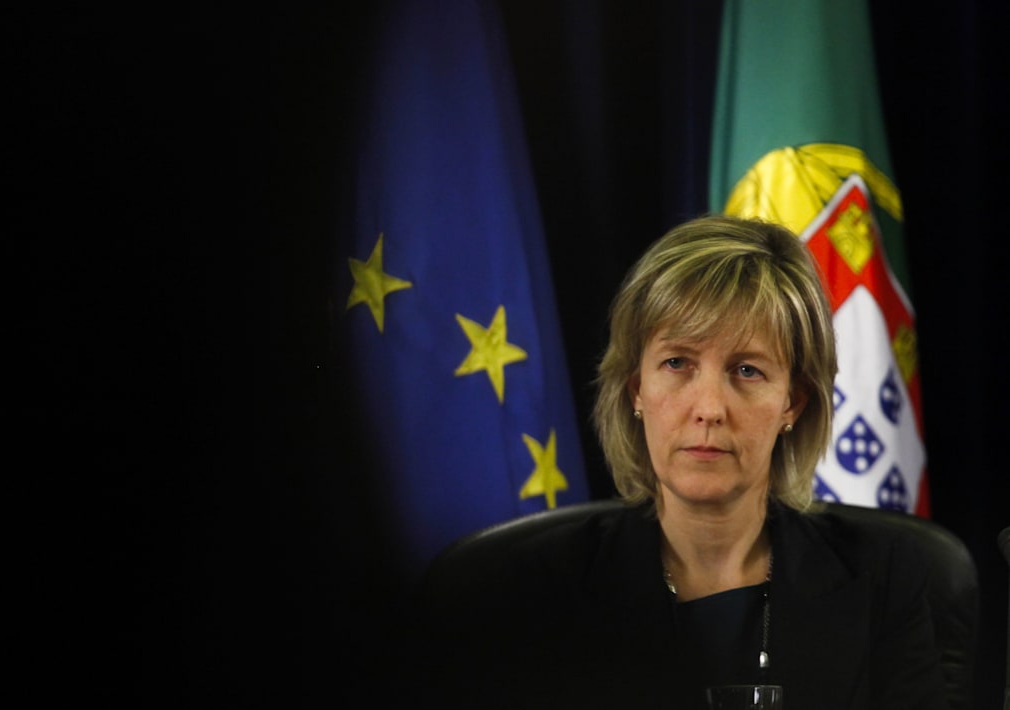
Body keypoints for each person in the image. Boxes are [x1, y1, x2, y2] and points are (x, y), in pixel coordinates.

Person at [402, 215, 948, 709]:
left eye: (748, 370)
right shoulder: (525, 594)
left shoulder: (885, 580)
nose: (709, 408)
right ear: (636, 389)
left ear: (793, 403)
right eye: (677, 363)